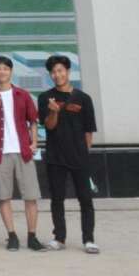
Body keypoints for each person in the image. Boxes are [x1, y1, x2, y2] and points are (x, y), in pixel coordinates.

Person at [0, 54, 45, 251]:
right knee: (4, 197)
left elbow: (32, 120)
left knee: (31, 196)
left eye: (5, 69)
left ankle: (32, 236)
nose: (2, 72)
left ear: (11, 71)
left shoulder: (22, 94)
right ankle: (12, 236)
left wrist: (34, 142)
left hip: (23, 151)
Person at [38, 54, 99, 254]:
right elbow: (49, 126)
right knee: (57, 199)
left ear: (68, 72)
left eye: (60, 71)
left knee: (85, 199)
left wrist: (84, 153)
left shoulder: (84, 98)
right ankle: (59, 238)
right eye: (53, 72)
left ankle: (89, 239)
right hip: (55, 157)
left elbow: (88, 131)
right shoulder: (45, 98)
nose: (57, 75)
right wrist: (54, 111)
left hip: (79, 157)